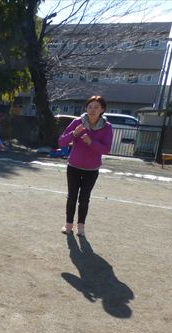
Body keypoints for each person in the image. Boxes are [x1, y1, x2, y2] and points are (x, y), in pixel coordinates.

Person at [58, 95, 113, 237]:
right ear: (86, 108)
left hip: (92, 169)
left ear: (102, 110)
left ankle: (81, 226)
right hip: (74, 166)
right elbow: (61, 141)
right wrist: (74, 133)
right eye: (90, 107)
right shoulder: (77, 122)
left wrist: (91, 142)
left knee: (84, 199)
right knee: (72, 197)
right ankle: (68, 224)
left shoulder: (107, 127)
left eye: (96, 107)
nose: (92, 110)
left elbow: (106, 149)